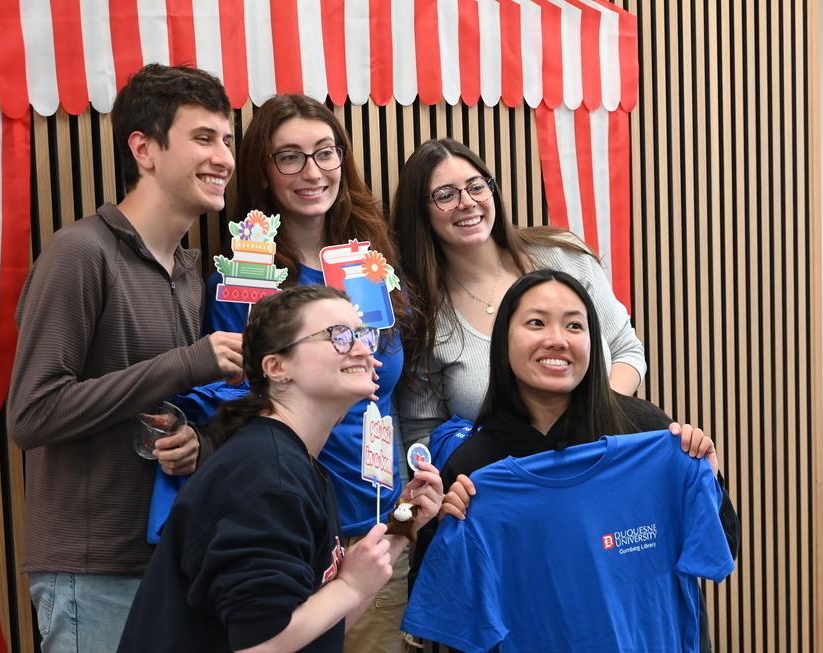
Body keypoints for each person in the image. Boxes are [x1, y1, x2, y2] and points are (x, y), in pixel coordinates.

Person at [6, 63, 245, 652]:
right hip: (93, 574)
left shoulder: (190, 274)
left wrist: (197, 443)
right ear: (144, 149)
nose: (223, 158)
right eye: (204, 138)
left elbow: (182, 402)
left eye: (227, 140)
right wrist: (189, 362)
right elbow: (32, 414)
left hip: (175, 562)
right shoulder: (79, 253)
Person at [404, 270, 738, 651]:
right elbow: (447, 618)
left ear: (593, 341)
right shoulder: (475, 468)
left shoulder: (645, 432)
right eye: (536, 323)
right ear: (503, 340)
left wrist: (706, 479)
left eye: (574, 325)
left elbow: (721, 546)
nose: (557, 339)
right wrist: (434, 528)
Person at [191, 93, 413, 653]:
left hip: (380, 530)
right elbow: (229, 398)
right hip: (294, 529)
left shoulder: (373, 268)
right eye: (289, 157)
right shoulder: (246, 278)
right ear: (263, 174)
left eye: (325, 152)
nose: (313, 172)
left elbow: (395, 393)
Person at [117, 285, 444, 652]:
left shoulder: (291, 462)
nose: (361, 349)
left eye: (364, 335)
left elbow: (313, 629)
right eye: (338, 336)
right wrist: (351, 585)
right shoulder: (266, 476)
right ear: (277, 367)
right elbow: (261, 645)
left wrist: (402, 526)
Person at [389, 138, 647, 451]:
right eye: (446, 195)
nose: (467, 202)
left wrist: (593, 426)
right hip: (499, 478)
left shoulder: (563, 255)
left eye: (476, 186)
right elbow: (422, 432)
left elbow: (626, 350)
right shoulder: (422, 315)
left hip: (601, 456)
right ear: (421, 213)